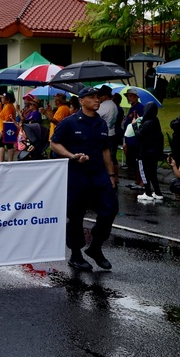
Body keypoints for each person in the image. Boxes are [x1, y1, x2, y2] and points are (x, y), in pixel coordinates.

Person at [50, 86, 118, 271]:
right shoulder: (69, 122)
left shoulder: (101, 123)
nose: (97, 100)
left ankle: (95, 247)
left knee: (110, 210)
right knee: (76, 216)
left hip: (99, 176)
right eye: (92, 97)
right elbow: (55, 143)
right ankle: (76, 254)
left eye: (98, 97)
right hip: (77, 177)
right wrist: (72, 156)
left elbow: (105, 150)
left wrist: (111, 174)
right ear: (81, 101)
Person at [135, 102, 164, 201]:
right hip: (154, 152)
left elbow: (139, 134)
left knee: (144, 172)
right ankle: (157, 192)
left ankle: (147, 193)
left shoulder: (147, 123)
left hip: (144, 153)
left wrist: (135, 125)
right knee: (152, 173)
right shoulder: (155, 121)